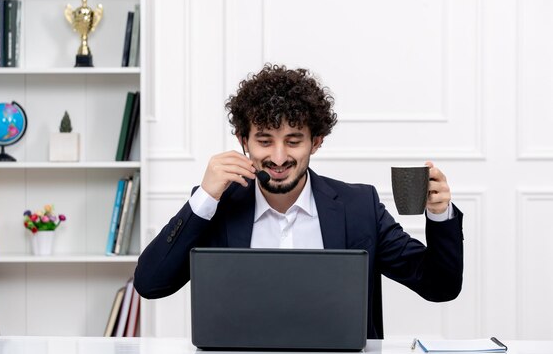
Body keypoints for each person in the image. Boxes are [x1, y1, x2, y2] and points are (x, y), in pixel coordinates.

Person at [134, 63, 463, 339]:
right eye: (264, 141)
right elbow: (150, 284)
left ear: (316, 142)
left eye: (293, 141)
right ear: (242, 140)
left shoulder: (359, 206)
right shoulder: (217, 206)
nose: (278, 157)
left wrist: (438, 214)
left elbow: (440, 286)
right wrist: (204, 198)